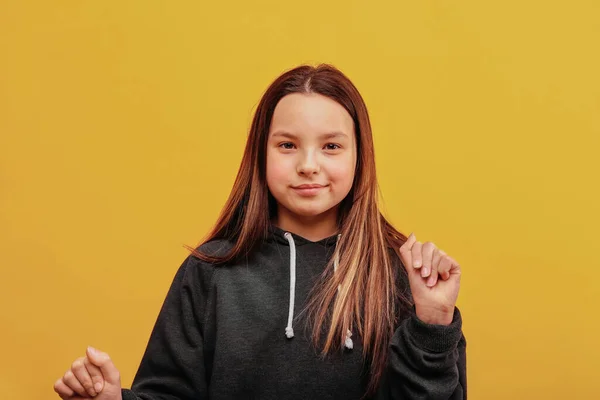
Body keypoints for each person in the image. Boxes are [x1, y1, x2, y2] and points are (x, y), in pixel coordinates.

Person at [53, 64, 467, 400]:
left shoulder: (404, 278)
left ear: (361, 157)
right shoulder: (210, 272)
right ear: (260, 154)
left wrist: (432, 324)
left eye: (331, 146)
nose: (308, 164)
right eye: (287, 145)